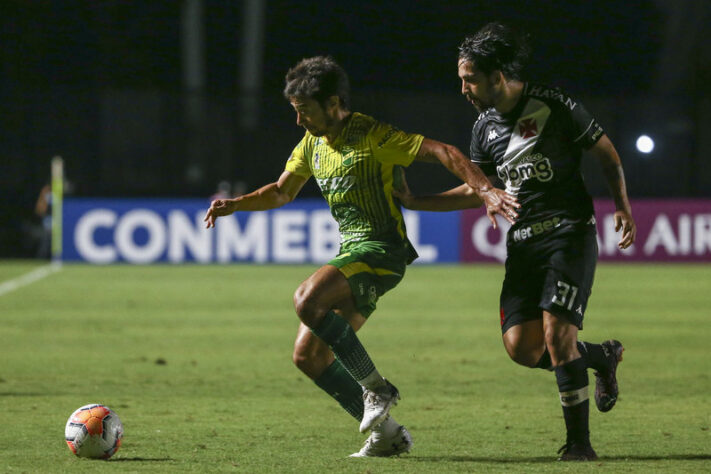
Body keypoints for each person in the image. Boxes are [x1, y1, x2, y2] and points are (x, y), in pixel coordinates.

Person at [204, 56, 519, 457]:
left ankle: (377, 389)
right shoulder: (312, 144)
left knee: (307, 298)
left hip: (383, 251)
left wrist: (486, 189)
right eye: (295, 112)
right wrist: (236, 204)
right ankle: (387, 435)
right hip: (353, 252)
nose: (300, 122)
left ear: (334, 103)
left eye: (306, 112)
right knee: (308, 356)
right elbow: (282, 191)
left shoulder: (373, 135)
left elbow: (444, 151)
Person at [395, 23, 636, 461]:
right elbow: (479, 188)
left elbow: (606, 153)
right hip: (523, 246)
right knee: (523, 349)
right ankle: (600, 356)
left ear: (497, 76)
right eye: (461, 78)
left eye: (470, 78)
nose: (463, 88)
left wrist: (621, 204)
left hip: (568, 233)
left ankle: (579, 446)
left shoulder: (553, 105)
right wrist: (415, 201)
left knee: (557, 335)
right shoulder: (484, 127)